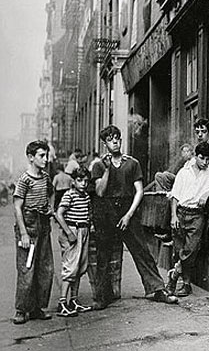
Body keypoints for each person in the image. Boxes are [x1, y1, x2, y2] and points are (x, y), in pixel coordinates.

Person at [90, 125, 177, 310]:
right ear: (105, 143)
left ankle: (158, 290)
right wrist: (106, 170)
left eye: (117, 138)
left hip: (128, 209)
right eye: (110, 139)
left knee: (142, 252)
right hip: (105, 213)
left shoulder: (132, 163)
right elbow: (99, 191)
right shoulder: (98, 165)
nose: (115, 142)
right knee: (103, 254)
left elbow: (139, 191)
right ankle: (102, 296)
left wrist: (129, 215)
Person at [11, 140, 75, 324]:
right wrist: (23, 233)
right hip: (29, 226)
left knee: (45, 269)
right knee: (27, 268)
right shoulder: (24, 179)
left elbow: (51, 192)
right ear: (31, 158)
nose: (46, 159)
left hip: (43, 225)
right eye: (41, 155)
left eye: (46, 155)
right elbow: (17, 207)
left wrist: (50, 207)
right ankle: (21, 309)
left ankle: (37, 308)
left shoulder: (46, 177)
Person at [167, 142, 209, 296]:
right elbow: (174, 196)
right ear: (195, 156)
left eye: (208, 159)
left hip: (197, 215)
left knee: (191, 250)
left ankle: (174, 277)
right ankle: (186, 285)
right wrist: (173, 216)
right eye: (202, 158)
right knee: (179, 249)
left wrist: (207, 194)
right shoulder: (183, 172)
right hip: (180, 213)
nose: (205, 162)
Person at [56, 167, 93, 317]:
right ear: (73, 181)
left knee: (80, 267)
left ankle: (74, 300)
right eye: (79, 180)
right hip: (72, 230)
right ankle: (62, 302)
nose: (83, 184)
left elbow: (88, 213)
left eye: (86, 181)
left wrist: (89, 226)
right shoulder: (69, 195)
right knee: (70, 267)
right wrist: (69, 233)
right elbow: (58, 214)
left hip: (83, 231)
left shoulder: (85, 196)